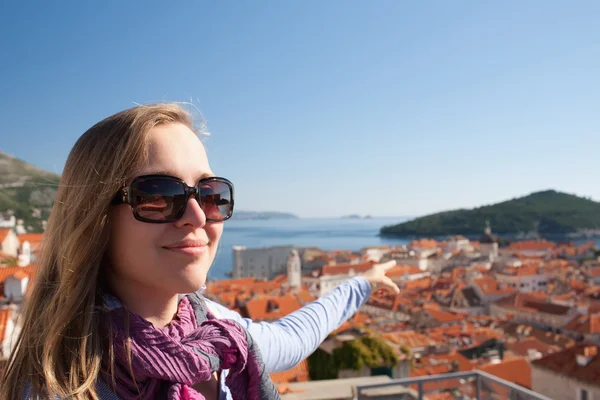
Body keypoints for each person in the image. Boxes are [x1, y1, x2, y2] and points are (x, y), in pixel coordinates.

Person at [1, 104, 400, 400]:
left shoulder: (215, 332)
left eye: (211, 194)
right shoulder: (56, 387)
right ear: (94, 219)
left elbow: (291, 337)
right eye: (158, 195)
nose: (197, 216)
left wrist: (363, 283)